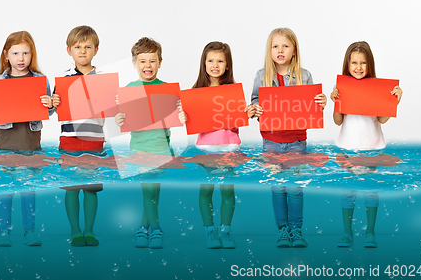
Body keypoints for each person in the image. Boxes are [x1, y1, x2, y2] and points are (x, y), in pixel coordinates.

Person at [251, 28, 327, 248]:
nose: (280, 50)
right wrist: (255, 109)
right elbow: (256, 101)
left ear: (294, 50)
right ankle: (282, 230)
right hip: (271, 141)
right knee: (277, 187)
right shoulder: (261, 75)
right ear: (270, 50)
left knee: (294, 186)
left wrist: (320, 102)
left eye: (285, 46)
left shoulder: (304, 76)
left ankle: (296, 229)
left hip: (296, 140)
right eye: (275, 46)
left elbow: (311, 105)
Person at [0, 31, 54, 247]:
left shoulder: (40, 80)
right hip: (6, 144)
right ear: (6, 55)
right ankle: (4, 232)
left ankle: (29, 231)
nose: (21, 58)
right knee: (5, 190)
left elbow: (48, 113)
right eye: (16, 53)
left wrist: (50, 104)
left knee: (28, 190)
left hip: (31, 144)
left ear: (32, 55)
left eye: (25, 53)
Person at [178, 42, 255, 249]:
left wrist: (245, 115)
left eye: (220, 61)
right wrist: (183, 117)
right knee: (206, 191)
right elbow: (190, 122)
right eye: (211, 60)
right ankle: (209, 231)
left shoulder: (233, 91)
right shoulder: (196, 92)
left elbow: (237, 123)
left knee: (227, 191)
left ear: (227, 65)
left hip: (229, 147)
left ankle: (226, 230)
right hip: (206, 148)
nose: (215, 65)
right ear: (203, 63)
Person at [330, 41, 402, 248]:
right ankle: (347, 233)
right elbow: (338, 120)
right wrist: (336, 100)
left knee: (370, 190)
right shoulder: (343, 88)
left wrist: (394, 101)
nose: (358, 67)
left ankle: (370, 232)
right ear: (347, 64)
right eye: (354, 62)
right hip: (347, 146)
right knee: (348, 191)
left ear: (369, 65)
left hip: (371, 146)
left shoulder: (376, 88)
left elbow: (381, 119)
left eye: (363, 63)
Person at [115, 37, 175, 249]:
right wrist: (119, 118)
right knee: (147, 190)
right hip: (139, 147)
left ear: (160, 62)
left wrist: (181, 112)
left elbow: (174, 118)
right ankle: (156, 229)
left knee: (153, 192)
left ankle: (143, 226)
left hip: (161, 147)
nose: (147, 66)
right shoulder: (130, 89)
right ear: (134, 63)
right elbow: (123, 119)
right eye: (142, 61)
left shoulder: (167, 88)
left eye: (152, 61)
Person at [52, 25, 105, 247]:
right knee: (72, 188)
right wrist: (53, 103)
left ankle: (89, 231)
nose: (82, 51)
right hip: (69, 140)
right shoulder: (63, 79)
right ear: (69, 50)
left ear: (96, 50)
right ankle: (75, 231)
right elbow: (53, 109)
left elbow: (111, 109)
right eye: (77, 47)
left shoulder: (103, 78)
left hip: (94, 140)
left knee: (91, 189)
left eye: (87, 47)